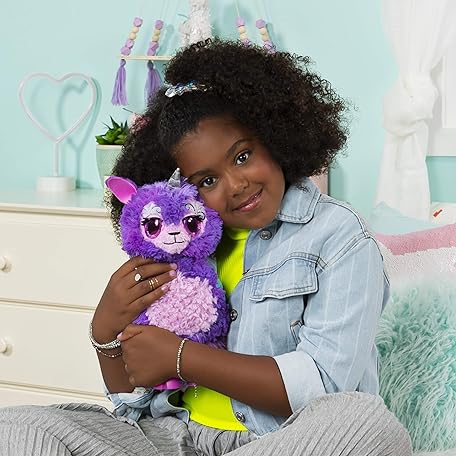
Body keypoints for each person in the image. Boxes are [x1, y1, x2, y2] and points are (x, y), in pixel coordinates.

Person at [0, 38, 412, 455]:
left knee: (365, 422)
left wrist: (182, 357)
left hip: (277, 441)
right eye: (207, 181)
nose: (236, 185)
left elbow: (325, 386)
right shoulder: (182, 244)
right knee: (16, 427)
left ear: (275, 135)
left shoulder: (339, 236)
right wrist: (105, 332)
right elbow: (132, 402)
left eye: (243, 156)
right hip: (173, 437)